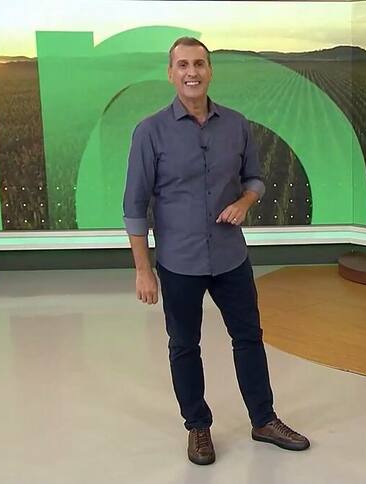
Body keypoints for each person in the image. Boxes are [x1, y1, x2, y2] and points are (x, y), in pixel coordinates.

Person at [122, 36, 310, 465]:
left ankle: (264, 420)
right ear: (171, 74)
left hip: (230, 258)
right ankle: (198, 427)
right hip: (179, 263)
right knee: (184, 345)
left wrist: (245, 203)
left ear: (210, 71)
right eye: (183, 65)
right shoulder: (150, 132)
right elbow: (135, 207)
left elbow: (256, 179)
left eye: (200, 64)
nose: (192, 72)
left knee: (248, 338)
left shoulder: (237, 124)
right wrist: (143, 270)